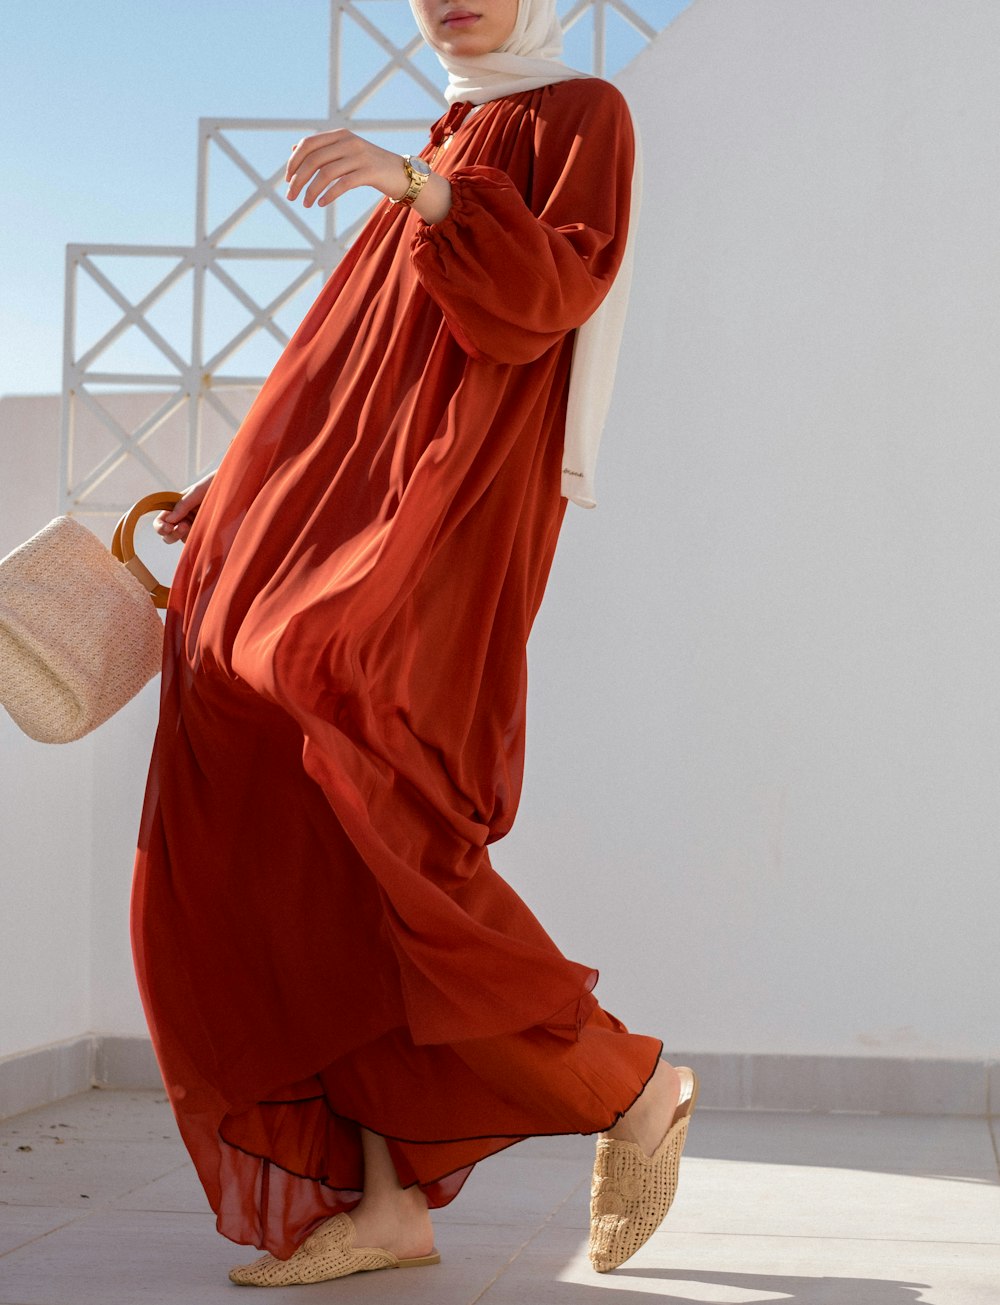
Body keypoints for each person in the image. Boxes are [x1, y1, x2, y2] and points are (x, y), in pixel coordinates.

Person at [139, 0, 698, 1287]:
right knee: (308, 810)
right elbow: (342, 379)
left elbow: (550, 288)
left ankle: (629, 1081)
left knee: (382, 793)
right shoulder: (448, 135)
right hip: (367, 500)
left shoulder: (577, 113)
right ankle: (390, 1202)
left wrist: (423, 191)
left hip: (448, 516)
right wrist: (232, 495)